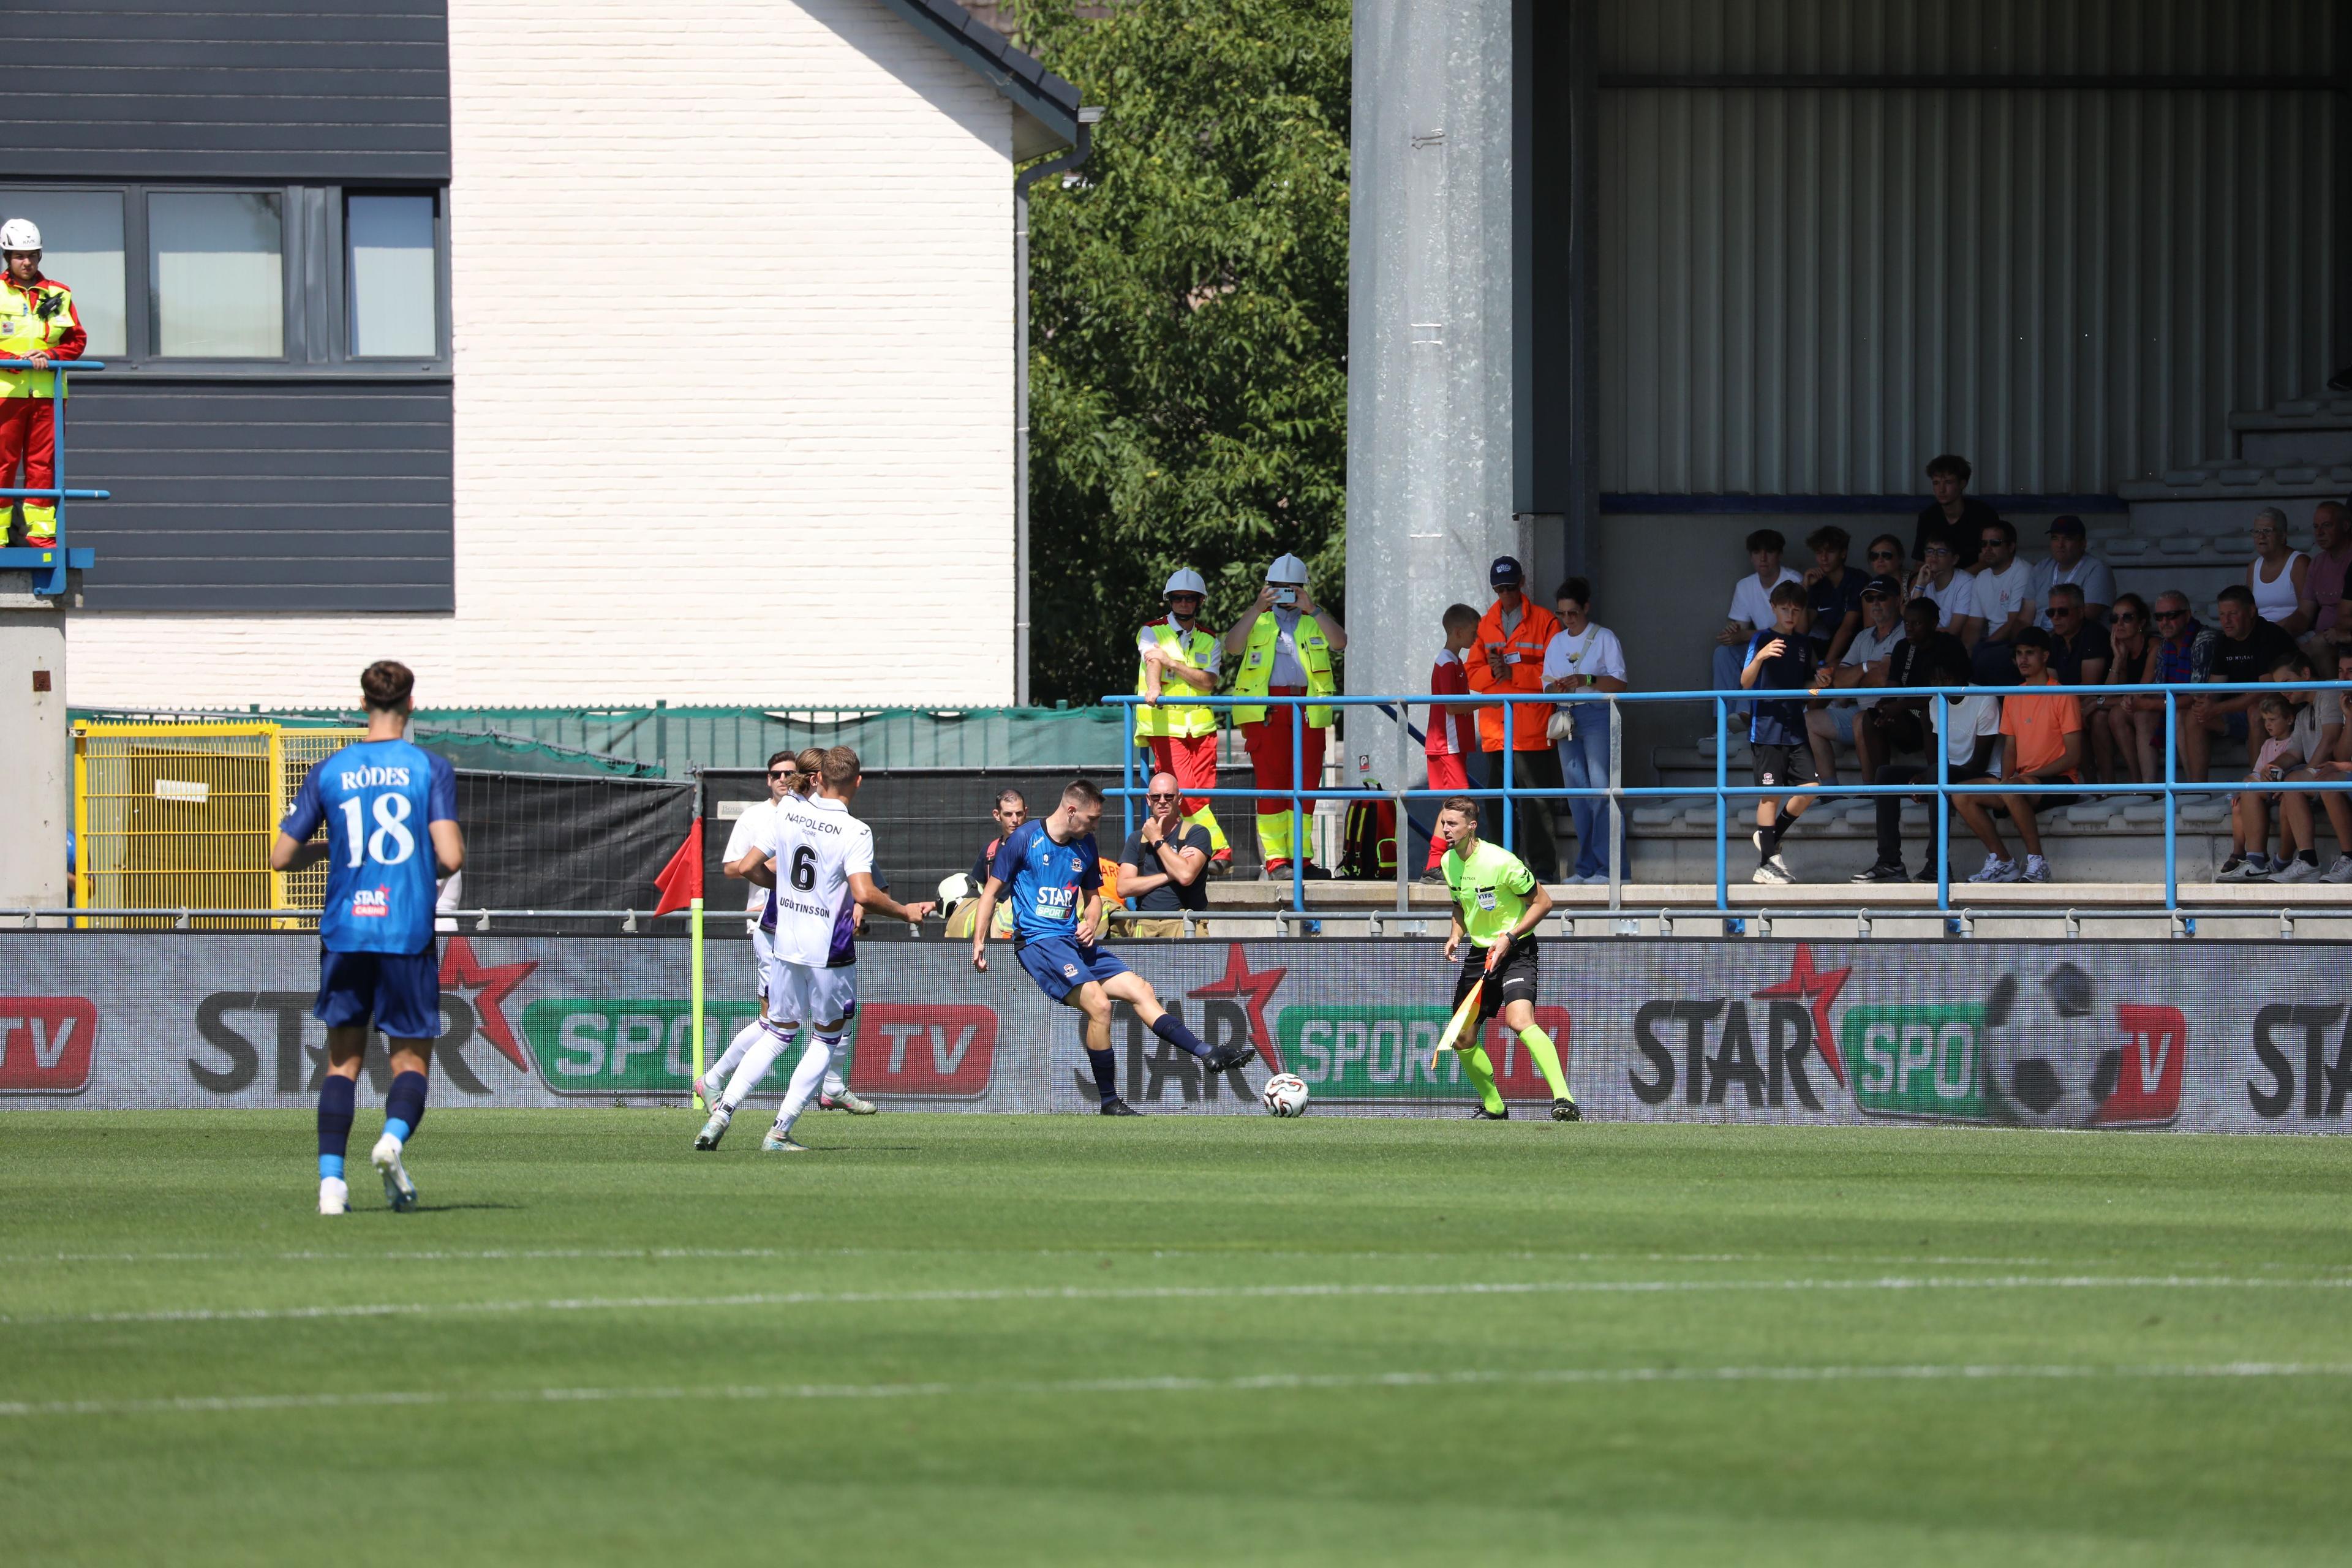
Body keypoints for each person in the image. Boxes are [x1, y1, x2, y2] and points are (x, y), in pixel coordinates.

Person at [267, 660, 463, 1216]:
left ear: (361, 704)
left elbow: (281, 857)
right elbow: (450, 856)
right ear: (411, 705)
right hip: (404, 930)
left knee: (342, 1063)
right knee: (410, 1063)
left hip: (347, 929)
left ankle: (332, 1185)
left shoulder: (330, 770)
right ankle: (392, 1142)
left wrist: (330, 850)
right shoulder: (429, 768)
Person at [694, 747, 934, 1153]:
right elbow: (864, 893)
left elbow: (747, 867)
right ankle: (779, 1131)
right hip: (830, 950)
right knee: (825, 1040)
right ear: (857, 782)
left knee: (776, 1032)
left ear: (821, 777)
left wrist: (783, 891)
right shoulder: (856, 831)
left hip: (784, 943)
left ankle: (722, 1112)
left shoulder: (787, 809)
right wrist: (906, 911)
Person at [970, 779, 1254, 1114]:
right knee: (1100, 1006)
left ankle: (1207, 1052)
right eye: (1092, 818)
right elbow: (990, 893)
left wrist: (1090, 922)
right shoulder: (1024, 839)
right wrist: (980, 941)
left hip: (1072, 941)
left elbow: (1093, 900)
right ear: (1072, 811)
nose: (1096, 825)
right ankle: (1109, 1101)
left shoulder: (1085, 844)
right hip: (1039, 942)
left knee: (1141, 989)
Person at [699, 750, 878, 1117]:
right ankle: (716, 1081)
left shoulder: (812, 815)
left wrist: (856, 906)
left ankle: (830, 1085)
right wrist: (785, 884)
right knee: (782, 1025)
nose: (785, 779)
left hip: (804, 930)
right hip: (779, 928)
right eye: (778, 773)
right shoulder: (778, 814)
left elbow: (856, 882)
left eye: (792, 773)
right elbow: (738, 867)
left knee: (814, 1022)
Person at [1431, 795, 1577, 1121]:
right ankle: (1495, 1106)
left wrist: (1510, 937)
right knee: (1462, 1036)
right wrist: (1456, 934)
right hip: (1480, 955)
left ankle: (1564, 1099)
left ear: (1472, 827)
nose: (1446, 830)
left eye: (1452, 824)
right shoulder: (1448, 862)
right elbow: (1460, 906)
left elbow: (1543, 902)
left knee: (1520, 1021)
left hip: (1516, 950)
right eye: (1443, 823)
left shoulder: (1501, 862)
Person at [1224, 553, 1346, 878]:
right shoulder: (1258, 619)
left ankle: (1302, 860)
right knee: (1272, 785)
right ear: (1269, 588)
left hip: (1308, 710)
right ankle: (1276, 861)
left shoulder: (1312, 619)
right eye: (1279, 588)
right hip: (1267, 711)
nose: (1286, 594)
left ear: (1304, 588)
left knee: (1306, 785)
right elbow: (1232, 646)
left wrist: (1314, 609)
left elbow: (1340, 642)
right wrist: (1256, 608)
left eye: (1292, 588)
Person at [1850, 638, 1999, 883]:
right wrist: (1926, 780)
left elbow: (1978, 764)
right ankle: (1890, 863)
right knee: (1886, 775)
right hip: (1943, 772)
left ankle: (1937, 864)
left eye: (1946, 680)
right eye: (1935, 682)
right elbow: (1934, 759)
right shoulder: (1935, 701)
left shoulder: (1984, 700)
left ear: (1961, 676)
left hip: (1981, 775)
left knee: (1935, 774)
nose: (1941, 687)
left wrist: (1930, 779)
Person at [1955, 628, 2082, 883]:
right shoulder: (2014, 694)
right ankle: (2003, 862)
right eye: (2019, 654)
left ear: (2045, 656)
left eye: (2030, 653)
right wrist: (2005, 781)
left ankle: (2038, 862)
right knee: (1959, 793)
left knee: (2012, 788)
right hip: (2023, 782)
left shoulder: (2062, 694)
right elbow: (2010, 748)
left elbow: (2073, 758)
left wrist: (2017, 781)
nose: (2023, 659)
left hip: (2061, 781)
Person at [1468, 554, 1564, 876]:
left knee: (1536, 806)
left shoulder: (1545, 621)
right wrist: (1495, 676)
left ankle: (1543, 870)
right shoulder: (1485, 623)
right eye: (1499, 589)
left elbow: (1556, 675)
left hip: (1532, 730)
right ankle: (1504, 870)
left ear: (1522, 583)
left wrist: (1513, 673)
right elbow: (1471, 674)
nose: (1506, 595)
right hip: (1497, 732)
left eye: (1510, 587)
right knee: (1497, 805)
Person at [1133, 568, 1231, 872]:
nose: (1184, 603)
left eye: (1189, 598)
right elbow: (1153, 663)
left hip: (1202, 728)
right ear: (1169, 600)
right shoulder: (1151, 630)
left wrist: (1172, 663)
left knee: (1200, 795)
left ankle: (1191, 853)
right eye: (1178, 598)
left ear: (1199, 601)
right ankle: (1221, 851)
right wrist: (1153, 686)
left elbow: (1208, 682)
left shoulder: (1210, 639)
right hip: (1165, 727)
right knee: (1184, 792)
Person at [0, 219, 86, 549]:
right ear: (7, 257)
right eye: (19, 256)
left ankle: (41, 537)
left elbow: (77, 341)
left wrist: (50, 354)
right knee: (2, 464)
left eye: (32, 255)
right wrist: (14, 361)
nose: (27, 262)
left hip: (49, 396)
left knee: (43, 465)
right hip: (6, 394)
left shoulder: (59, 294)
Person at [1540, 577, 1629, 884]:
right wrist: (1559, 686)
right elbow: (1546, 686)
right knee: (1578, 795)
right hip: (1566, 716)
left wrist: (1587, 681)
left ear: (1586, 608)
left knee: (1603, 791)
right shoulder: (1556, 642)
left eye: (1573, 613)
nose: (1567, 619)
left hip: (1598, 714)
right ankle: (1588, 868)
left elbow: (1620, 683)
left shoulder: (1605, 638)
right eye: (1562, 614)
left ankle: (1611, 870)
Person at [1741, 581, 1826, 885]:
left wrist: (1819, 685)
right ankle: (1766, 863)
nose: (1790, 614)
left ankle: (1770, 837)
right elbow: (1745, 682)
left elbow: (1805, 689)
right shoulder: (1763, 637)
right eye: (1784, 608)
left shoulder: (1804, 644)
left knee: (1811, 787)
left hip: (1795, 726)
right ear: (1773, 608)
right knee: (1770, 795)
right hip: (1766, 728)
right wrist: (1762, 656)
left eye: (1796, 609)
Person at [2182, 585, 2299, 782]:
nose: (2226, 621)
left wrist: (2217, 707)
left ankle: (2257, 784)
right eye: (2222, 615)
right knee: (2194, 716)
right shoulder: (2224, 641)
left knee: (2256, 710)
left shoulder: (2269, 635)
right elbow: (2214, 687)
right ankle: (2197, 788)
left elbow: (2265, 691)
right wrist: (2205, 705)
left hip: (2279, 712)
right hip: (2237, 712)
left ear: (2251, 611)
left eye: (2233, 614)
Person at [1804, 575, 1905, 787]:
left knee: (1862, 719)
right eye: (1870, 599)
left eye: (1882, 598)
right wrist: (1867, 666)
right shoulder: (1863, 637)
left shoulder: (1905, 631)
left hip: (1896, 715)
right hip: (1862, 708)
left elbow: (1883, 678)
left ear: (1898, 599)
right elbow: (1839, 681)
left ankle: (1869, 790)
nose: (1875, 604)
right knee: (1810, 718)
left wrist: (1855, 678)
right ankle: (1830, 791)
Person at [1420, 603, 1483, 880]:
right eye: (1473, 631)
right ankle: (1438, 863)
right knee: (1458, 805)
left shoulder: (1455, 662)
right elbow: (1451, 706)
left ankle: (1440, 863)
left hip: (1453, 744)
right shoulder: (1446, 663)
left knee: (1454, 804)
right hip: (1446, 744)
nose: (1476, 637)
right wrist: (1487, 702)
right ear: (1458, 632)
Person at [2280, 644, 2352, 883]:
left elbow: (2335, 749)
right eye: (2341, 671)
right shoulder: (2345, 703)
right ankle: (2307, 860)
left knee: (2328, 779)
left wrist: (2337, 768)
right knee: (2294, 784)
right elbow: (2342, 753)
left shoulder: (2330, 695)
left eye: (2350, 671)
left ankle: (2349, 858)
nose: (2343, 678)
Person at [2217, 695, 2308, 883]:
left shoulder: (2296, 742)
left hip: (2285, 792)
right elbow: (2257, 773)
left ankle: (2283, 859)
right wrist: (2245, 786)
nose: (2268, 725)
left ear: (2290, 719)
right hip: (2266, 793)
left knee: (2288, 804)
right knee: (2239, 802)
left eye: (2273, 720)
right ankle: (2245, 855)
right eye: (2265, 720)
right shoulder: (2267, 744)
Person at [1856, 597, 1950, 774]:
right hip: (1908, 719)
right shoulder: (1903, 647)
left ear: (1933, 623)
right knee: (1871, 718)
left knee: (1928, 715)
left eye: (1917, 623)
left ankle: (1934, 783)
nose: (1909, 627)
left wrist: (1901, 705)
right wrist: (1884, 704)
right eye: (1906, 622)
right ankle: (1882, 786)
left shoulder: (1947, 646)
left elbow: (1948, 693)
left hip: (1943, 718)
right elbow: (1893, 687)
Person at [1118, 771, 1212, 937]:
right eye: (1156, 797)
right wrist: (1169, 875)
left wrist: (1157, 840)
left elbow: (1185, 876)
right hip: (1145, 925)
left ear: (1179, 798)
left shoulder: (1196, 834)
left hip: (1185, 923)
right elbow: (1123, 888)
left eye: (1169, 796)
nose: (1162, 801)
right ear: (1148, 800)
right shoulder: (1136, 839)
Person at [1710, 528, 1801, 695]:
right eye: (1757, 552)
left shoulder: (1793, 580)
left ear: (1780, 555)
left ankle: (1744, 713)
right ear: (1751, 556)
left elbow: (1793, 632)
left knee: (1763, 654)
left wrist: (1743, 635)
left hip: (1787, 646)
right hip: (1760, 643)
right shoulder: (1745, 586)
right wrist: (1733, 632)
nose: (1763, 558)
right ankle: (1724, 717)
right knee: (1723, 653)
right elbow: (1740, 629)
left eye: (1770, 551)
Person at [2087, 593, 2162, 784]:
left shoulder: (2154, 645)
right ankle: (2108, 787)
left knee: (2115, 714)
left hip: (2159, 707)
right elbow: (2111, 694)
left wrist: (2097, 703)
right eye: (2114, 619)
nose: (2119, 624)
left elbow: (2140, 693)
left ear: (2142, 622)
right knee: (2100, 717)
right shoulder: (2122, 651)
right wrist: (2118, 660)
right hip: (2133, 707)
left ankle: (2140, 783)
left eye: (2127, 618)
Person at [1965, 518, 2037, 684]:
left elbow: (2014, 623)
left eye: (1995, 543)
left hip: (2016, 644)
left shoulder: (2023, 572)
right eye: (1984, 544)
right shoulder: (1981, 578)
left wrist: (1983, 649)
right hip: (1990, 646)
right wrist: (1966, 652)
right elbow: (1973, 625)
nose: (1987, 549)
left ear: (2011, 547)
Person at [1912, 454, 2000, 573]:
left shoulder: (1983, 515)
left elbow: (1986, 562)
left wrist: (1955, 584)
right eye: (1936, 483)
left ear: (1962, 484)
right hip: (1937, 584)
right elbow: (1921, 563)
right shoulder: (1928, 517)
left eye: (1948, 482)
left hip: (1976, 583)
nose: (1941, 489)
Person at [2029, 516, 2116, 629]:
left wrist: (2043, 643)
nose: (2060, 545)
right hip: (2037, 641)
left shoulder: (2097, 569)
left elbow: (2083, 619)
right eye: (2055, 538)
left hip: (2072, 642)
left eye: (2068, 539)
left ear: (2083, 543)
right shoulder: (2041, 568)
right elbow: (2024, 618)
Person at [2298, 500, 2352, 672]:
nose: (2319, 533)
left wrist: (2342, 633)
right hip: (2324, 636)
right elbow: (2304, 613)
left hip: (2344, 637)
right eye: (2316, 527)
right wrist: (2278, 632)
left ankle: (2333, 697)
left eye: (2327, 525)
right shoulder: (2317, 563)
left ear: (2345, 526)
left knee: (2317, 644)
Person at [2246, 507, 2315, 638]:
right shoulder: (2253, 567)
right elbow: (2249, 611)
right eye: (2256, 531)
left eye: (2267, 531)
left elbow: (2305, 614)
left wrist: (2273, 632)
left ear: (2283, 536)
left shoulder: (2299, 563)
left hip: (2292, 636)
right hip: (2262, 637)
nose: (2261, 536)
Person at [1802, 525, 1866, 665]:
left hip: (1859, 649)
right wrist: (1805, 588)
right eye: (1819, 552)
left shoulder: (1857, 579)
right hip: (1831, 648)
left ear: (1843, 553)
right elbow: (1802, 631)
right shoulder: (1818, 585)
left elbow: (1847, 629)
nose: (1824, 558)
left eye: (1830, 552)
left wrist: (1826, 666)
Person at [2044, 584, 2111, 687]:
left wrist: (2061, 701)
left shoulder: (2095, 636)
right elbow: (2053, 687)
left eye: (2063, 612)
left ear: (2080, 612)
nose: (2055, 617)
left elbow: (2088, 689)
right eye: (2051, 612)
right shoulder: (2055, 640)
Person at [1907, 533, 1977, 633]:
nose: (1934, 556)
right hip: (1924, 639)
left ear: (1954, 559)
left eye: (1941, 552)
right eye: (1929, 551)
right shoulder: (1924, 579)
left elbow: (1954, 631)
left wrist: (1921, 633)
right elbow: (1910, 620)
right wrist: (1920, 586)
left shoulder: (1966, 583)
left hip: (1949, 644)